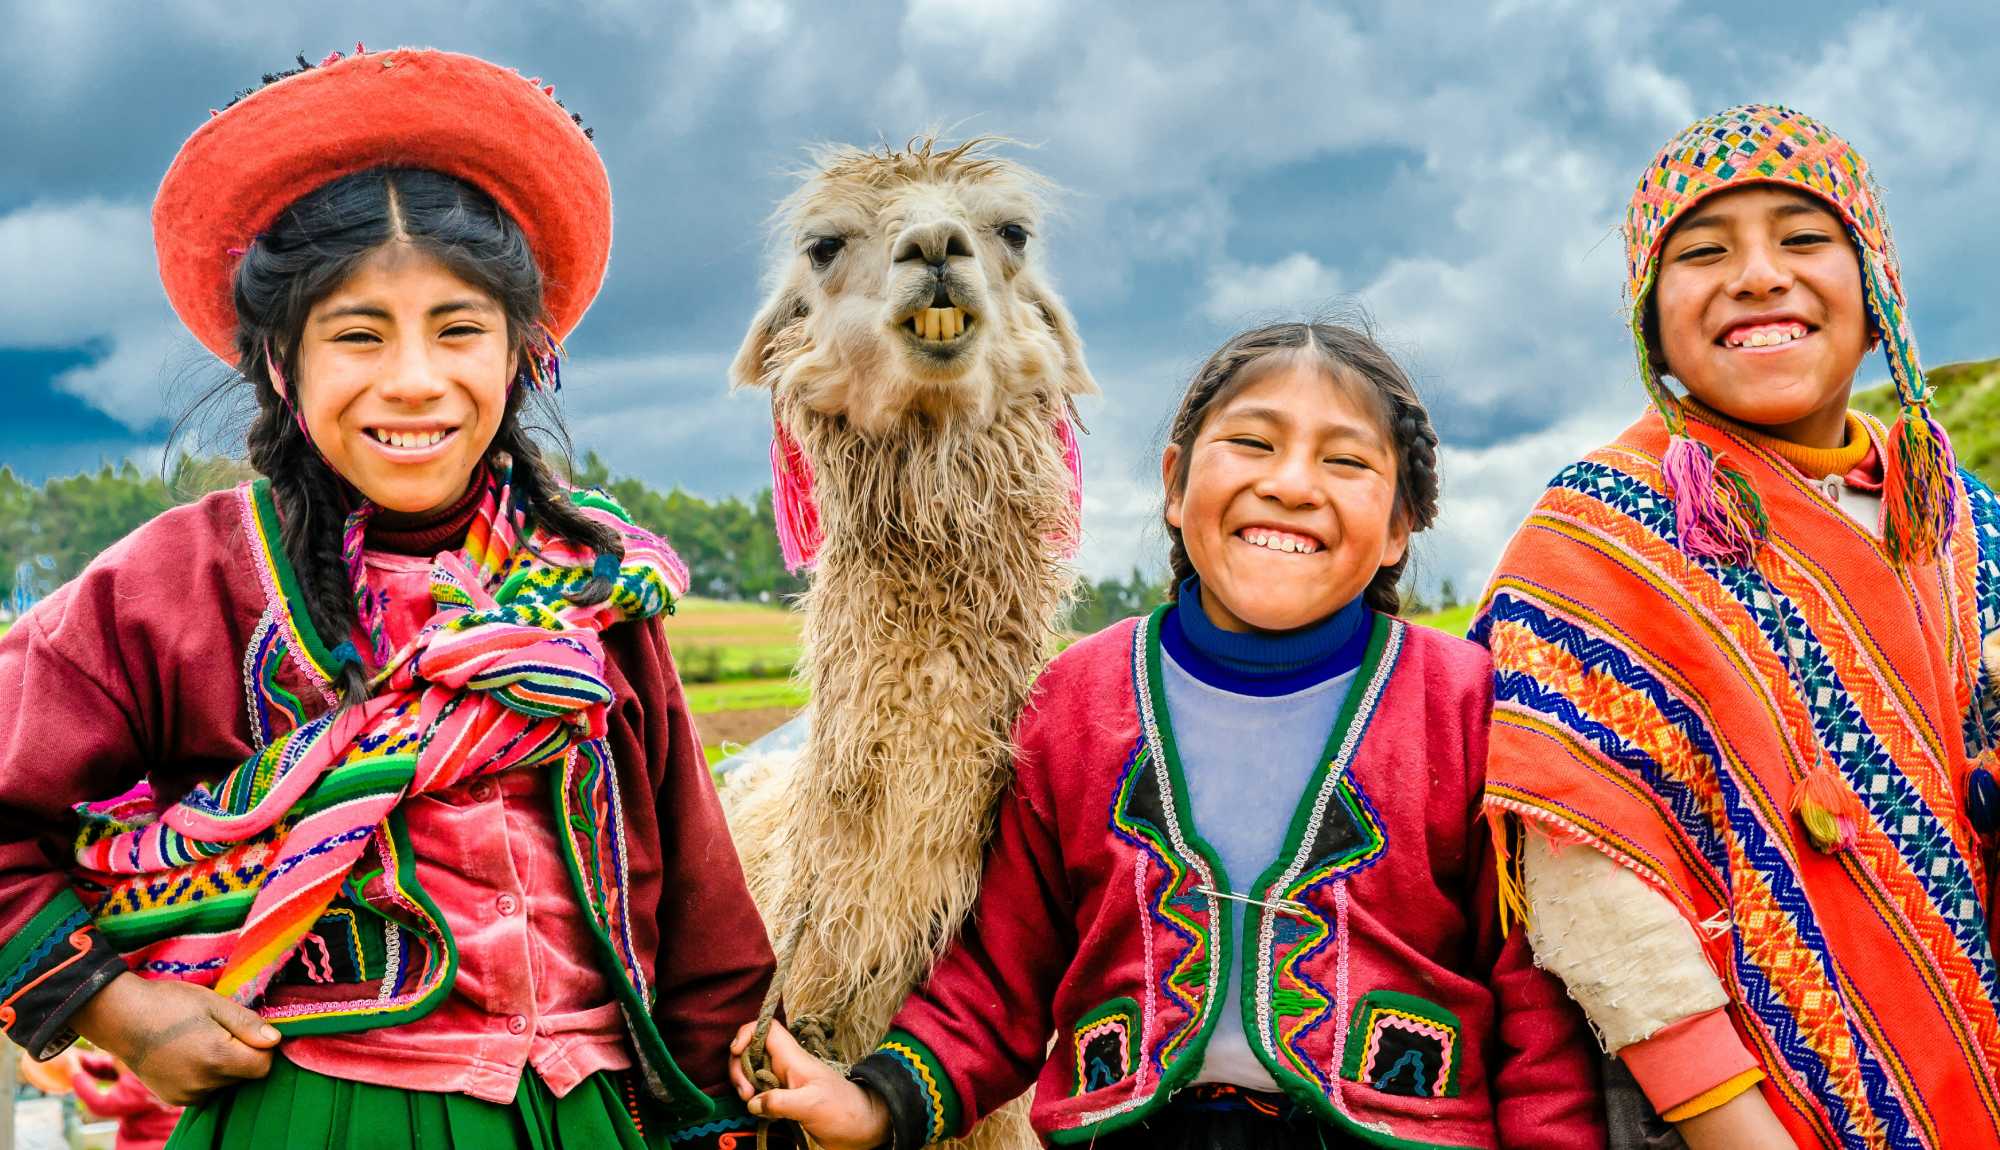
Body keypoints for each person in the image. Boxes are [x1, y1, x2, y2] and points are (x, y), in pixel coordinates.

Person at [0, 46, 777, 1149]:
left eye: (458, 329)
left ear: (522, 355)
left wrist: (721, 1108)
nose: (413, 379)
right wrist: (119, 1012)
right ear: (281, 362)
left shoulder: (594, 594)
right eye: (357, 334)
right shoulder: (180, 585)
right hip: (312, 1110)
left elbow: (701, 916)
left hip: (588, 1113)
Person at [731, 321, 1607, 1149]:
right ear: (1176, 484)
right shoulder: (1078, 703)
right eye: (1254, 444)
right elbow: (999, 979)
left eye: (1344, 461)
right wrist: (875, 1101)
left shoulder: (1464, 710)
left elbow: (1533, 1005)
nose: (1292, 483)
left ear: (1398, 530)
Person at [1476, 104, 2000, 1149]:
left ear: (1876, 286)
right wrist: (1729, 1124)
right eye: (1701, 253)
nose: (1757, 275)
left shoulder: (1960, 520)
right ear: (1650, 318)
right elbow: (1589, 880)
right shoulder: (1594, 541)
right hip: (1731, 1116)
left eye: (1804, 239)